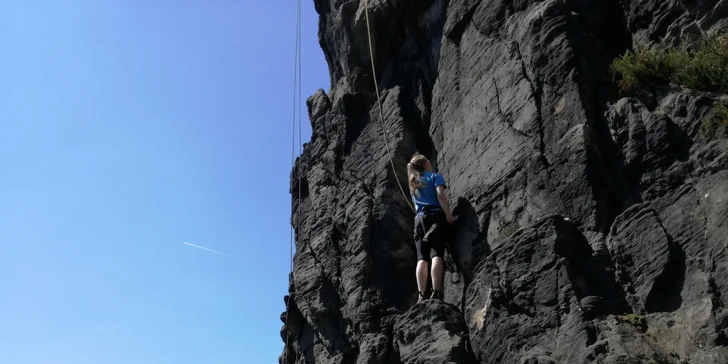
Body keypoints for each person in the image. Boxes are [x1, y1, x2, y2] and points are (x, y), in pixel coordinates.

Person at [406, 152, 455, 303]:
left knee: (422, 258)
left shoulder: (413, 182)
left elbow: (410, 167)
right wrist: (449, 216)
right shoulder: (434, 176)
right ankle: (436, 292)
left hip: (419, 220)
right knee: (436, 255)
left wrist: (412, 164)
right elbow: (441, 196)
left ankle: (421, 295)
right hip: (435, 216)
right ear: (426, 164)